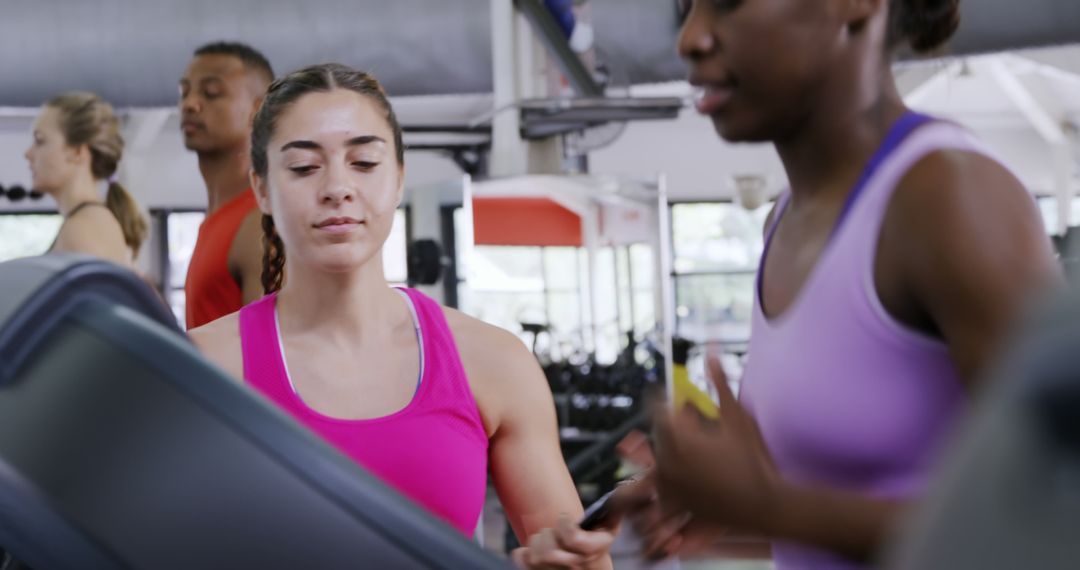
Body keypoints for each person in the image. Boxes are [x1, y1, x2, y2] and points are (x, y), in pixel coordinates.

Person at [616, 0, 1064, 568]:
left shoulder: (949, 196)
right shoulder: (787, 217)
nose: (691, 39)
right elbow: (836, 525)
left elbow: (1058, 516)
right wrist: (712, 513)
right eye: (685, 8)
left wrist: (772, 506)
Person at [189, 63, 616, 569]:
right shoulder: (200, 366)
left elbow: (578, 561)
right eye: (304, 168)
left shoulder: (492, 361)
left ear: (398, 180)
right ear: (261, 189)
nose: (337, 187)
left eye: (365, 162)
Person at [179, 41, 274, 329]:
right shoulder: (216, 220)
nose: (189, 104)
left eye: (211, 93)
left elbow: (269, 362)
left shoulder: (260, 222)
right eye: (184, 92)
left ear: (257, 110)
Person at [25, 92, 147, 266]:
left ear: (76, 152)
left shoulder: (83, 229)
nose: (28, 154)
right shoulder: (85, 223)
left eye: (40, 141)